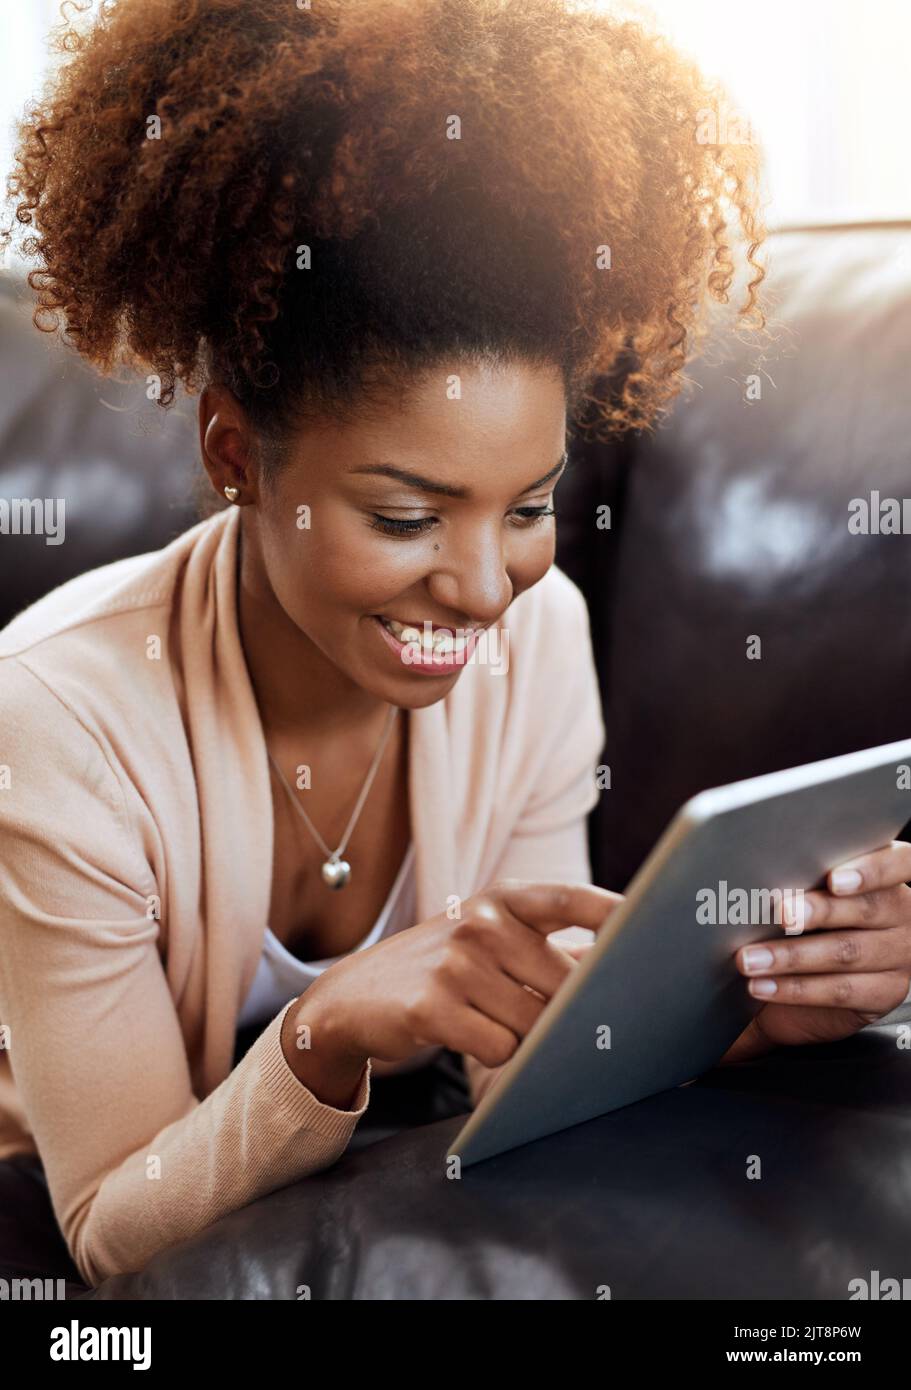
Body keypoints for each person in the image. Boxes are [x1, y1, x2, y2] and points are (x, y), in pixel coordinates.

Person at [1, 0, 907, 1291]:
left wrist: (764, 1003)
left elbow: (512, 1055)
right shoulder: (53, 718)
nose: (487, 586)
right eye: (405, 514)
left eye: (530, 506)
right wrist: (325, 1032)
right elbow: (106, 1230)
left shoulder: (540, 632)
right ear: (230, 456)